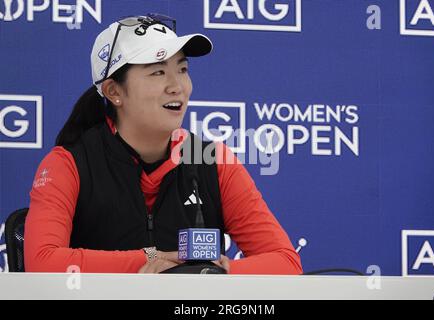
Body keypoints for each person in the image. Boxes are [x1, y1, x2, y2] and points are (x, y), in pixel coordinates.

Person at [24, 14, 302, 275]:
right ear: (114, 91)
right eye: (157, 72)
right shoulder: (68, 163)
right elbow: (42, 262)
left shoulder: (213, 160)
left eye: (182, 69)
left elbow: (286, 262)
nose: (177, 86)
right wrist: (147, 262)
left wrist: (218, 272)